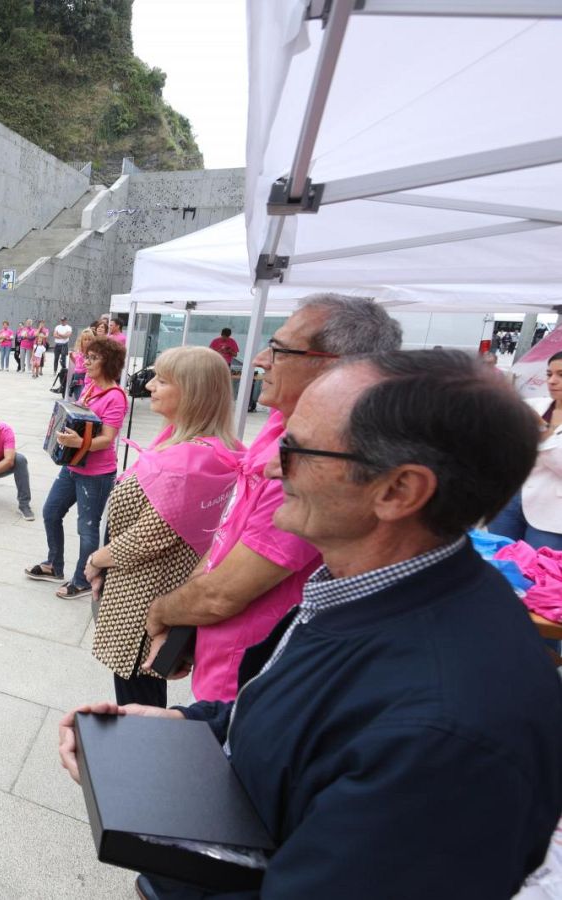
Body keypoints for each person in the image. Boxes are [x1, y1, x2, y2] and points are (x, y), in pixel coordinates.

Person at [59, 349, 562, 899]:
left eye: (297, 450)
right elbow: (298, 711)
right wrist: (186, 723)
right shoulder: (370, 590)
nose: (272, 465)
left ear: (398, 491)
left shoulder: (447, 732)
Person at [143, 294, 403, 702]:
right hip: (221, 655)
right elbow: (224, 544)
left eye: (279, 350)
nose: (261, 358)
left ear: (334, 368)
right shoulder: (281, 429)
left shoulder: (322, 458)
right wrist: (185, 628)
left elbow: (224, 592)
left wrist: (160, 613)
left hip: (249, 677)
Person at [83, 347, 241, 707]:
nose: (150, 385)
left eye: (163, 380)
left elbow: (150, 535)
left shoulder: (191, 459)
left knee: (139, 698)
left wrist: (97, 560)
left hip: (145, 596)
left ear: (193, 391)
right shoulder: (190, 445)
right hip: (146, 587)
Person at [26, 336, 127, 599]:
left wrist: (79, 440)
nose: (86, 362)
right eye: (87, 356)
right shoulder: (91, 388)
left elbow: (106, 439)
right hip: (73, 466)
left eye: (93, 358)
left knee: (87, 527)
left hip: (96, 474)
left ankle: (83, 580)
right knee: (50, 512)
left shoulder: (115, 397)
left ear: (109, 362)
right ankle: (54, 565)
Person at [488, 350, 562, 549]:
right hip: (510, 499)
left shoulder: (535, 416)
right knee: (502, 559)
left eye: (561, 375)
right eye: (549, 374)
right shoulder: (534, 406)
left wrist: (542, 431)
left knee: (539, 571)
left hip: (552, 514)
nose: (552, 381)